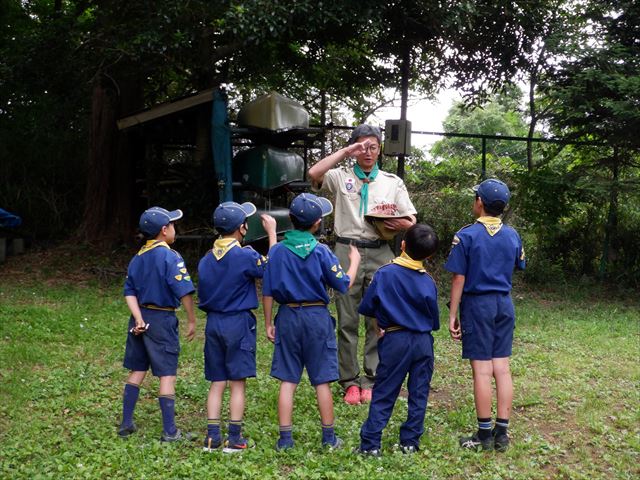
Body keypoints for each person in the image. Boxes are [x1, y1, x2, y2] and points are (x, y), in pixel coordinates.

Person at [308, 124, 417, 405]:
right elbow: (313, 174)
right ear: (353, 149)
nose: (368, 152)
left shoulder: (392, 182)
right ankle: (349, 381)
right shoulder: (340, 176)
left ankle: (371, 377)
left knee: (378, 319)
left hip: (381, 252)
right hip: (347, 250)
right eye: (361, 147)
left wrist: (395, 222)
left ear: (380, 149)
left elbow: (411, 221)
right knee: (346, 318)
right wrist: (345, 151)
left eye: (373, 146)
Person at [262, 193, 361, 450]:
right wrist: (355, 263)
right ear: (317, 223)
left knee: (288, 380)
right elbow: (343, 284)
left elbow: (268, 291)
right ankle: (329, 438)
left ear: (290, 219)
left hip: (288, 317)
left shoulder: (278, 251)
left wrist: (267, 323)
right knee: (321, 381)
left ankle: (285, 439)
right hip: (317, 318)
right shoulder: (321, 251)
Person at [445, 179, 526, 452]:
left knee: (481, 370)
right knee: (501, 368)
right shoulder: (513, 235)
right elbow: (518, 264)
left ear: (479, 202)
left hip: (478, 306)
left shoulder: (466, 235)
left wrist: (452, 313)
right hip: (504, 304)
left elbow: (459, 277)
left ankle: (483, 435)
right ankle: (502, 433)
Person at [197, 201, 277, 453]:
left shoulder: (206, 259)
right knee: (237, 382)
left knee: (217, 381)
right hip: (238, 322)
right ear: (242, 228)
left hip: (213, 324)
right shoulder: (245, 255)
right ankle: (234, 438)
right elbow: (270, 268)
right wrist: (273, 234)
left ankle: (212, 438)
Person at [356, 224, 440, 456]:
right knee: (419, 391)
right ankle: (410, 442)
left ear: (402, 244)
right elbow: (434, 320)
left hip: (395, 339)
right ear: (430, 255)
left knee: (384, 391)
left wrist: (380, 328)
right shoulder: (428, 282)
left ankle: (371, 445)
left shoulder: (384, 274)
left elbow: (370, 308)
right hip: (423, 342)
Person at [118, 206, 197, 442]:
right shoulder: (171, 257)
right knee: (167, 374)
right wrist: (192, 318)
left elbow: (129, 291)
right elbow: (183, 291)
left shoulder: (137, 258)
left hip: (139, 319)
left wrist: (139, 318)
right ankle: (170, 432)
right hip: (162, 320)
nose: (175, 229)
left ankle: (126, 424)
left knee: (138, 370)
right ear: (164, 230)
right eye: (173, 225)